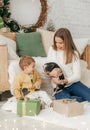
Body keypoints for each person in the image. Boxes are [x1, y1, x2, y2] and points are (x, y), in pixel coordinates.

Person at [46, 28, 90, 102]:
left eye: (61, 43)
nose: (58, 45)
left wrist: (63, 81)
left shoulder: (74, 54)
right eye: (56, 42)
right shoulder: (52, 49)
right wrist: (51, 74)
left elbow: (77, 76)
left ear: (67, 41)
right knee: (66, 101)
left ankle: (76, 97)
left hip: (73, 84)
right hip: (59, 87)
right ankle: (75, 98)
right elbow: (46, 68)